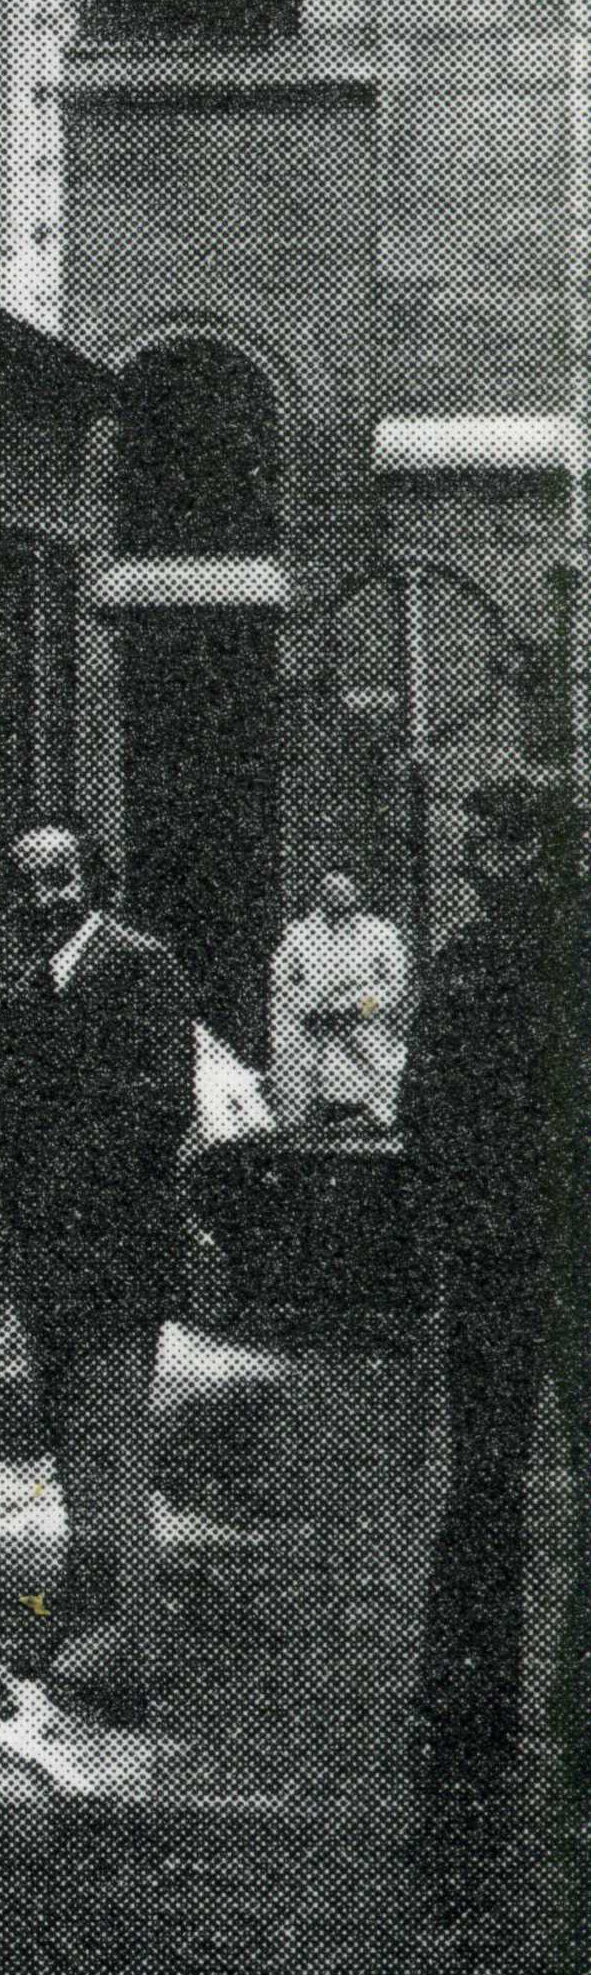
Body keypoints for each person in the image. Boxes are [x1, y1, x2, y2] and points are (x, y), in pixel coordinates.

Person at [0, 822, 204, 1716]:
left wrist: (68, 1180)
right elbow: (5, 1126)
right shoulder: (21, 991)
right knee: (72, 1446)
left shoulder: (140, 966)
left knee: (112, 1443)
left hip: (113, 1252)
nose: (43, 900)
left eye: (59, 879)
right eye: (25, 884)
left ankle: (131, 1649)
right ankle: (82, 1620)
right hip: (50, 1261)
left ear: (89, 881)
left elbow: (162, 1103)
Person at [408, 777, 591, 1851]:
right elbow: (426, 1109)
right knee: (497, 1474)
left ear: (536, 850)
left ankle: (469, 1700)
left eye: (490, 842)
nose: (472, 856)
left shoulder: (470, 962)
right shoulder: (468, 958)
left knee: (483, 1474)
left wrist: (449, 1219)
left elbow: (425, 1112)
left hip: (506, 1257)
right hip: (527, 1253)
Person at [268, 869, 413, 1131]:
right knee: (299, 1083)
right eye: (329, 890)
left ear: (357, 892)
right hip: (314, 1026)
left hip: (365, 1026)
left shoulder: (379, 933)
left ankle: (371, 1124)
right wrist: (308, 1008)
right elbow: (281, 982)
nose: (336, 897)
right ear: (318, 894)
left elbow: (395, 984)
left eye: (343, 890)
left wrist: (361, 1009)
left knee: (381, 1077)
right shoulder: (299, 934)